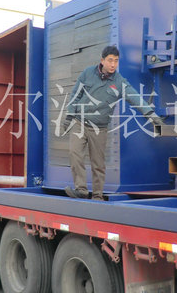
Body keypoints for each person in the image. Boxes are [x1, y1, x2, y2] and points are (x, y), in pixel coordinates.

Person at [62, 45, 164, 200]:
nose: (113, 64)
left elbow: (135, 98)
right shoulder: (87, 73)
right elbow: (75, 95)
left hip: (99, 128)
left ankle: (97, 196)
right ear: (102, 60)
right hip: (79, 122)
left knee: (98, 163)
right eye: (110, 60)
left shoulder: (119, 82)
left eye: (116, 61)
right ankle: (81, 190)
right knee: (74, 153)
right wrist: (69, 116)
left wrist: (151, 115)